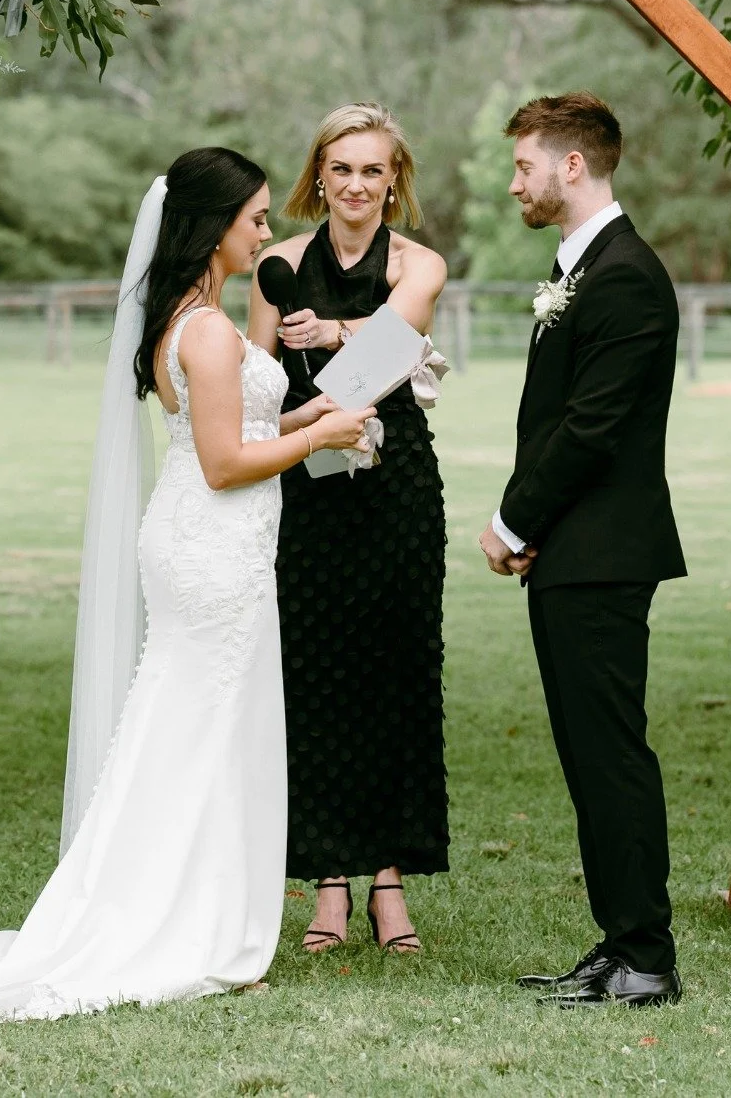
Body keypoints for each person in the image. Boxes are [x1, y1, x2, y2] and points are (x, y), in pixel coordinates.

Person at [0, 148, 374, 1030]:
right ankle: (186, 925)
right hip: (212, 548)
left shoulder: (192, 318)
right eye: (257, 217)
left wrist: (310, 416)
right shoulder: (202, 327)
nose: (268, 232)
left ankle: (190, 911)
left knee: (193, 727)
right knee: (199, 732)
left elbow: (232, 426)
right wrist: (322, 440)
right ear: (214, 225)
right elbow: (229, 463)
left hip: (208, 545)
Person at [478, 93, 686, 1009]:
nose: (514, 180)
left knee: (610, 756)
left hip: (602, 555)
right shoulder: (585, 267)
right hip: (575, 552)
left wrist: (514, 521)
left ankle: (646, 957)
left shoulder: (626, 276)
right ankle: (619, 944)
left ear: (572, 166)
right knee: (587, 756)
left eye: (524, 164)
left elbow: (591, 429)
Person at [248, 103, 449, 954]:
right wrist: (290, 429)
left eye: (374, 170)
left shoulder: (420, 262)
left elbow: (395, 346)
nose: (358, 184)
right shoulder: (275, 263)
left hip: (394, 485)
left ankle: (390, 883)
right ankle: (329, 880)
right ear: (319, 177)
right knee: (318, 673)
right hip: (308, 487)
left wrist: (332, 334)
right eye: (343, 169)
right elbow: (259, 383)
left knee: (398, 672)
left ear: (393, 178)